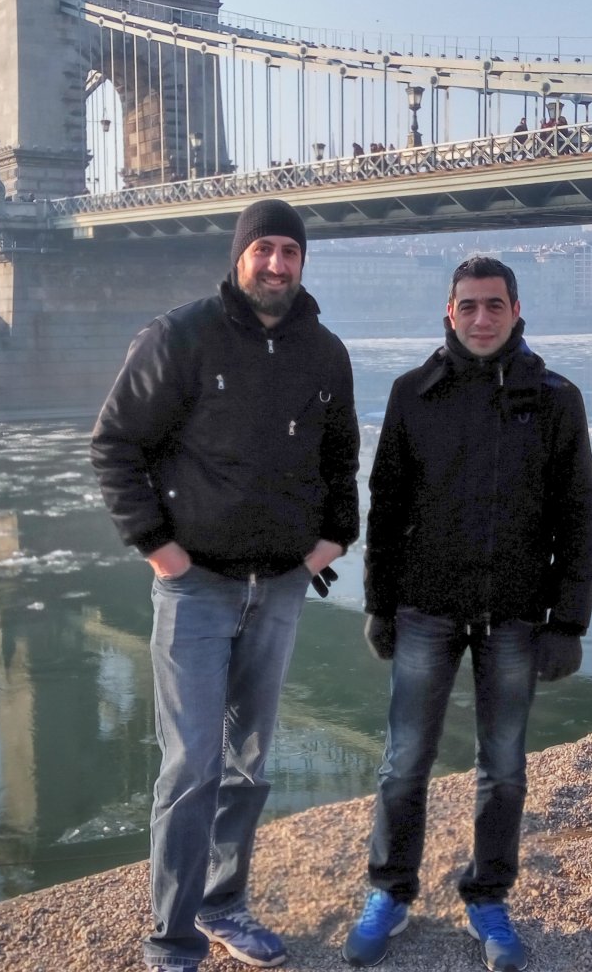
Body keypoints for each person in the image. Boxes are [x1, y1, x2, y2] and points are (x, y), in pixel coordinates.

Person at [92, 198, 360, 972]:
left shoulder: (325, 352)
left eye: (289, 252)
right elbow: (115, 444)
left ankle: (223, 905)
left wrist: (335, 537)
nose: (276, 264)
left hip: (279, 587)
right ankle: (171, 943)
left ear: (302, 263)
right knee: (192, 769)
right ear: (239, 256)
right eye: (263, 249)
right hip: (197, 589)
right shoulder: (179, 336)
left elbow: (340, 457)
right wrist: (159, 550)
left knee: (249, 765)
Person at [341, 255, 592, 972]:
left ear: (517, 312)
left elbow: (578, 516)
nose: (481, 318)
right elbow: (386, 510)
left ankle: (487, 896)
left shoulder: (557, 399)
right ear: (448, 315)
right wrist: (379, 605)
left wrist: (568, 622)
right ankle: (390, 891)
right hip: (426, 609)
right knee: (403, 763)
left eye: (494, 305)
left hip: (515, 613)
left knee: (504, 768)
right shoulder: (412, 394)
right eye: (468, 306)